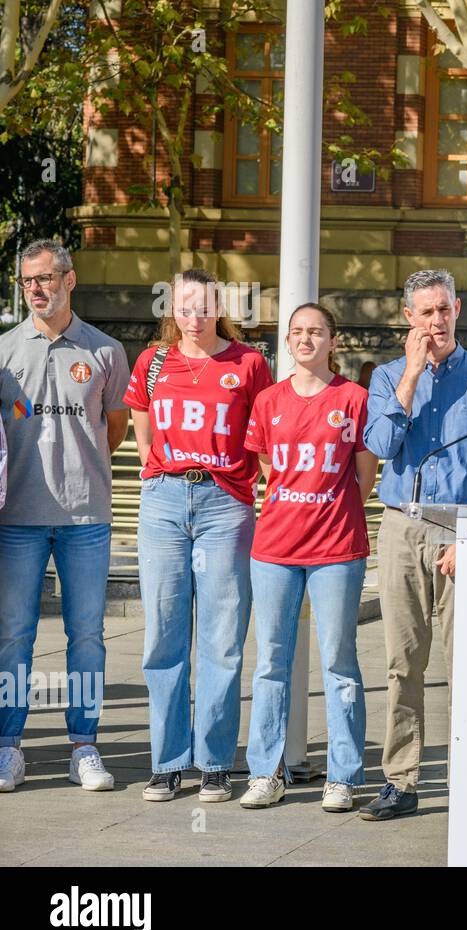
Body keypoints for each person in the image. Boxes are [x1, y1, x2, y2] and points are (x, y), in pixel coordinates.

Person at [360, 269, 467, 821]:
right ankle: (401, 780)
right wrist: (409, 373)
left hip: (461, 528)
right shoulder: (385, 377)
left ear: (458, 310)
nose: (436, 322)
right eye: (425, 313)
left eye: (444, 310)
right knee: (403, 661)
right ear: (409, 318)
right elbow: (380, 443)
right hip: (401, 525)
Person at [125, 268, 273, 802]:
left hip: (224, 504)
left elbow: (265, 428)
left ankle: (213, 761)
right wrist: (153, 467)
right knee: (163, 634)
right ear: (172, 310)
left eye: (204, 305)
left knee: (221, 636)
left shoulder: (249, 362)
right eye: (184, 306)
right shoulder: (153, 361)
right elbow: (140, 417)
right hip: (164, 501)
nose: (194, 316)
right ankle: (166, 761)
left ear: (219, 308)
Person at [0, 239, 130, 793]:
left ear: (69, 280)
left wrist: (85, 472)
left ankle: (85, 745)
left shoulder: (104, 350)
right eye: (28, 281)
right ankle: (7, 747)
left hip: (85, 518)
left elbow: (116, 428)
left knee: (87, 636)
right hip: (17, 519)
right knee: (12, 636)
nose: (36, 289)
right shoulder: (3, 350)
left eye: (46, 279)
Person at [240, 303, 378, 812]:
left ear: (332, 341)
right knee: (271, 662)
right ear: (288, 341)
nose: (305, 340)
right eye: (297, 332)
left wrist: (331, 510)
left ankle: (342, 776)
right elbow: (265, 467)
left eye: (315, 332)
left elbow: (365, 476)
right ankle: (265, 772)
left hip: (337, 547)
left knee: (340, 662)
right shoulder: (268, 400)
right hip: (274, 546)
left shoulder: (355, 399)